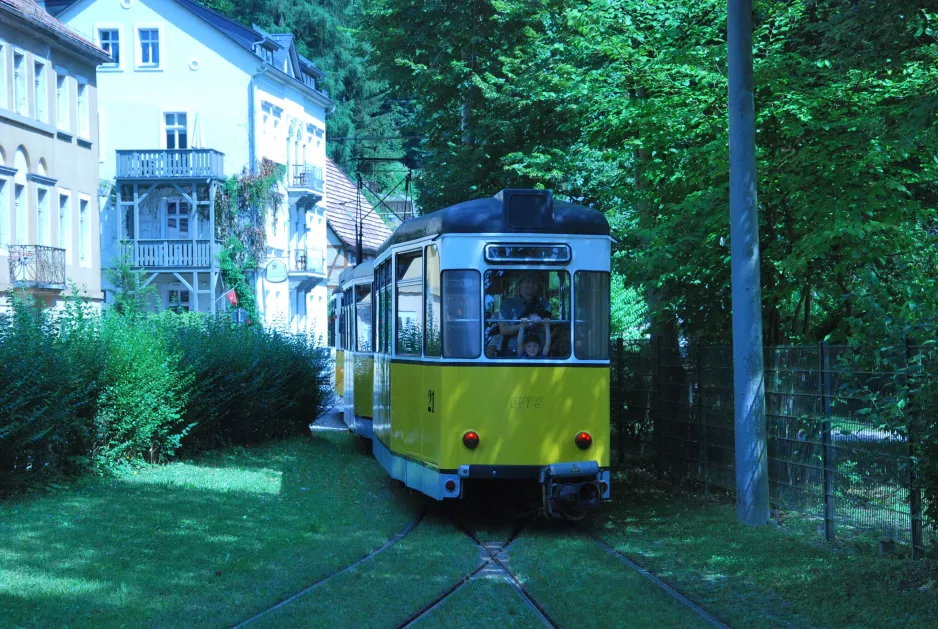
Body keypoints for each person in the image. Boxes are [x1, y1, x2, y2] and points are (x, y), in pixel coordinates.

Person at [497, 271, 551, 356]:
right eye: (527, 281)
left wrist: (526, 323)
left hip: (538, 350)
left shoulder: (545, 304)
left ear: (538, 286)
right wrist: (528, 323)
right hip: (512, 349)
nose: (531, 285)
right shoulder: (507, 304)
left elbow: (544, 324)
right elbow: (504, 330)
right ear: (520, 284)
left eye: (534, 282)